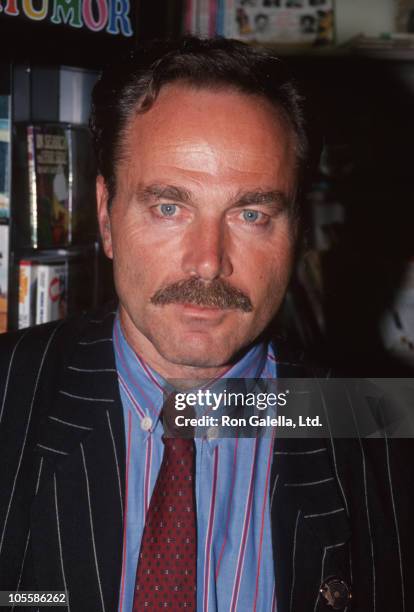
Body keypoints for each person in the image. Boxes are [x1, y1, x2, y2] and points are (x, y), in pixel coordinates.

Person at [0, 37, 411, 612]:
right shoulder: (10, 398)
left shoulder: (381, 439)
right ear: (105, 215)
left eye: (251, 213)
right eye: (169, 207)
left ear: (297, 230)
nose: (208, 261)